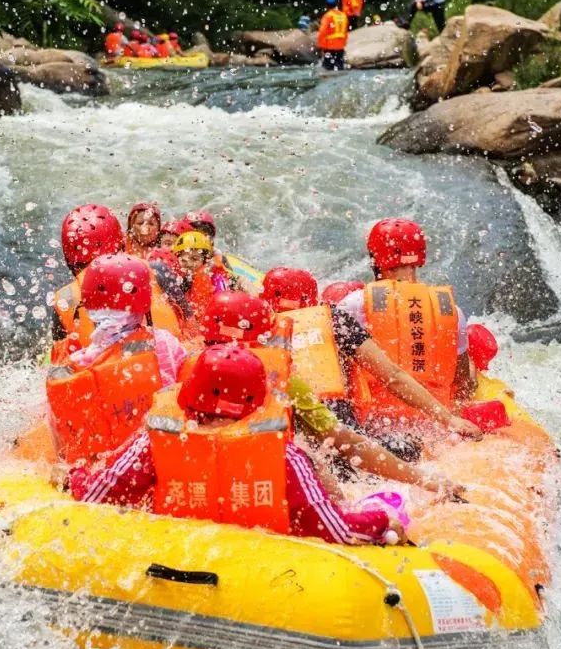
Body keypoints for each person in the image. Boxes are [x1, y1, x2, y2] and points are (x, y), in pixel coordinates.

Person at [69, 344, 406, 545]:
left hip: (176, 552)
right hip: (261, 568)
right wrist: (379, 522)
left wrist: (74, 476)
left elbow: (98, 496)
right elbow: (330, 527)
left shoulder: (154, 441)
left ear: (191, 391)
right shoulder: (284, 456)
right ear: (256, 400)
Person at [256, 269, 465, 497]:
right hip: (347, 446)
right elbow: (393, 376)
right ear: (313, 300)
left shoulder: (256, 331)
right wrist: (448, 418)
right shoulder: (333, 319)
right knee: (408, 446)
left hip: (286, 451)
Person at [334, 219, 481, 438]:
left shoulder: (355, 305)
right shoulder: (451, 310)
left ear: (375, 258)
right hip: (437, 431)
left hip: (374, 429)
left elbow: (339, 375)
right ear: (421, 258)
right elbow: (462, 384)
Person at [47, 253, 188, 466]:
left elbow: (61, 441)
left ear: (89, 303)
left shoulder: (74, 367)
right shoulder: (165, 343)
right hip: (164, 459)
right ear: (144, 299)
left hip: (98, 476)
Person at [51, 205, 182, 359]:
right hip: (168, 368)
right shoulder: (156, 270)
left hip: (106, 375)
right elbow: (192, 331)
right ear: (120, 242)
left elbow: (60, 362)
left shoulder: (64, 299)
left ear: (69, 257)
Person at [171, 231, 233, 335]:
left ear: (204, 260)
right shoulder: (177, 279)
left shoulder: (215, 278)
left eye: (194, 259)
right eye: (184, 260)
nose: (189, 264)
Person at [316, 0, 348, 71]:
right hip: (340, 46)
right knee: (340, 67)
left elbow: (322, 31)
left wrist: (320, 45)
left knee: (328, 69)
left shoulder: (327, 16)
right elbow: (345, 32)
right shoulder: (343, 16)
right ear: (336, 4)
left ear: (326, 5)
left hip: (329, 46)